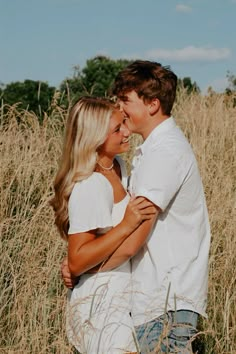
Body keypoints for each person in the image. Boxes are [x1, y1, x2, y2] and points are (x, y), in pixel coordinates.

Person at [62, 61, 211, 353]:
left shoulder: (163, 154)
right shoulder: (138, 157)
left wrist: (81, 268)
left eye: (126, 101)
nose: (120, 108)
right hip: (141, 301)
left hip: (164, 301)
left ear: (153, 104)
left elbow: (132, 243)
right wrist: (79, 262)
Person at [50, 96, 157, 354]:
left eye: (124, 123)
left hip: (121, 294)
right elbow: (77, 260)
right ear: (95, 138)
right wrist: (126, 225)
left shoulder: (118, 166)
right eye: (117, 129)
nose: (126, 132)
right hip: (101, 305)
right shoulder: (91, 185)